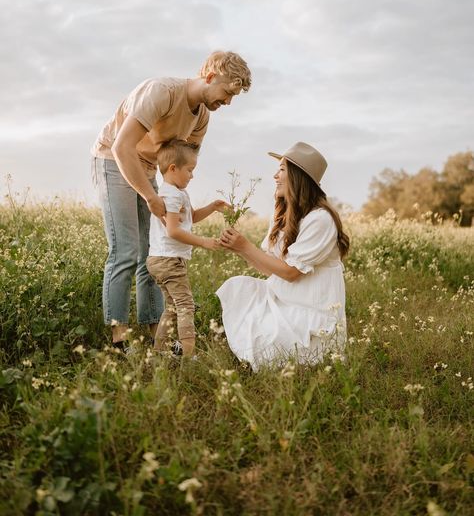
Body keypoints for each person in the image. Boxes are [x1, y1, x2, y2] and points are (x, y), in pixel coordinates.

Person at [91, 51, 251, 350]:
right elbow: (122, 146)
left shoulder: (202, 117)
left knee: (152, 252)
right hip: (114, 159)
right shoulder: (161, 92)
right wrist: (150, 196)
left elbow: (178, 166)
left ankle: (157, 338)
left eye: (234, 97)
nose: (228, 102)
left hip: (150, 169)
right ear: (210, 76)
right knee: (125, 250)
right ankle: (119, 341)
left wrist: (179, 204)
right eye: (228, 92)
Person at [217, 142, 350, 370]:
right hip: (283, 299)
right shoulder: (282, 215)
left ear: (298, 177)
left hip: (310, 312)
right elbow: (272, 270)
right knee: (237, 290)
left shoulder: (320, 219)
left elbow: (290, 273)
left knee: (268, 349)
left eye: (281, 169)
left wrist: (246, 246)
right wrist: (240, 249)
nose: (275, 176)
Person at [146, 139, 228, 357]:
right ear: (173, 169)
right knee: (185, 305)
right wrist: (203, 242)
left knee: (172, 307)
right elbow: (173, 231)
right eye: (190, 170)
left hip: (160, 258)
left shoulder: (176, 192)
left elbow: (190, 218)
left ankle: (160, 350)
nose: (192, 175)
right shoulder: (172, 194)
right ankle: (189, 356)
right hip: (169, 259)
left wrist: (212, 207)